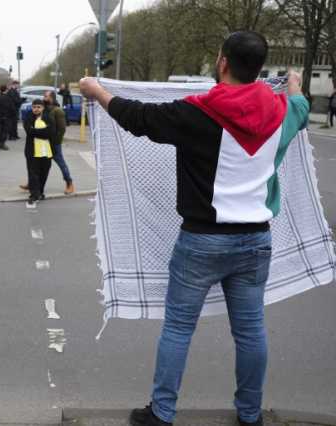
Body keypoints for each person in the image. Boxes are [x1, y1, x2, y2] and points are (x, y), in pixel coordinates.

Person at [80, 31, 308, 426]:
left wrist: (97, 91)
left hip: (202, 241)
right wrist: (295, 87)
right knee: (251, 332)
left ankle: (162, 413)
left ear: (222, 63)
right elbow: (301, 106)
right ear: (258, 68)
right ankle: (250, 415)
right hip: (256, 241)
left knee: (179, 329)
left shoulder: (197, 112)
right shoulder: (283, 111)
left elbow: (138, 118)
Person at [23, 99, 55, 205]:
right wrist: (42, 132)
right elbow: (28, 131)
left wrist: (35, 131)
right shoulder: (28, 118)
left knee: (43, 174)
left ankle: (40, 192)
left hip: (46, 152)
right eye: (34, 107)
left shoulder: (48, 118)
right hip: (32, 151)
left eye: (38, 107)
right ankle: (34, 194)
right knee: (33, 174)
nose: (36, 109)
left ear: (43, 108)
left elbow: (50, 133)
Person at [44, 90, 74, 194]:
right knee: (37, 164)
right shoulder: (44, 109)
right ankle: (32, 184)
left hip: (54, 143)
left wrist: (55, 142)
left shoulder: (58, 111)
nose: (44, 98)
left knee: (61, 163)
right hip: (43, 142)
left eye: (46, 96)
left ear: (51, 98)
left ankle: (69, 183)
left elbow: (62, 129)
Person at [0, 85, 15, 151]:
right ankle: (2, 144)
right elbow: (10, 107)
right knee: (5, 130)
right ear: (6, 90)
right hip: (7, 116)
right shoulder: (7, 97)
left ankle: (1, 143)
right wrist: (13, 113)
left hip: (1, 116)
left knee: (2, 130)